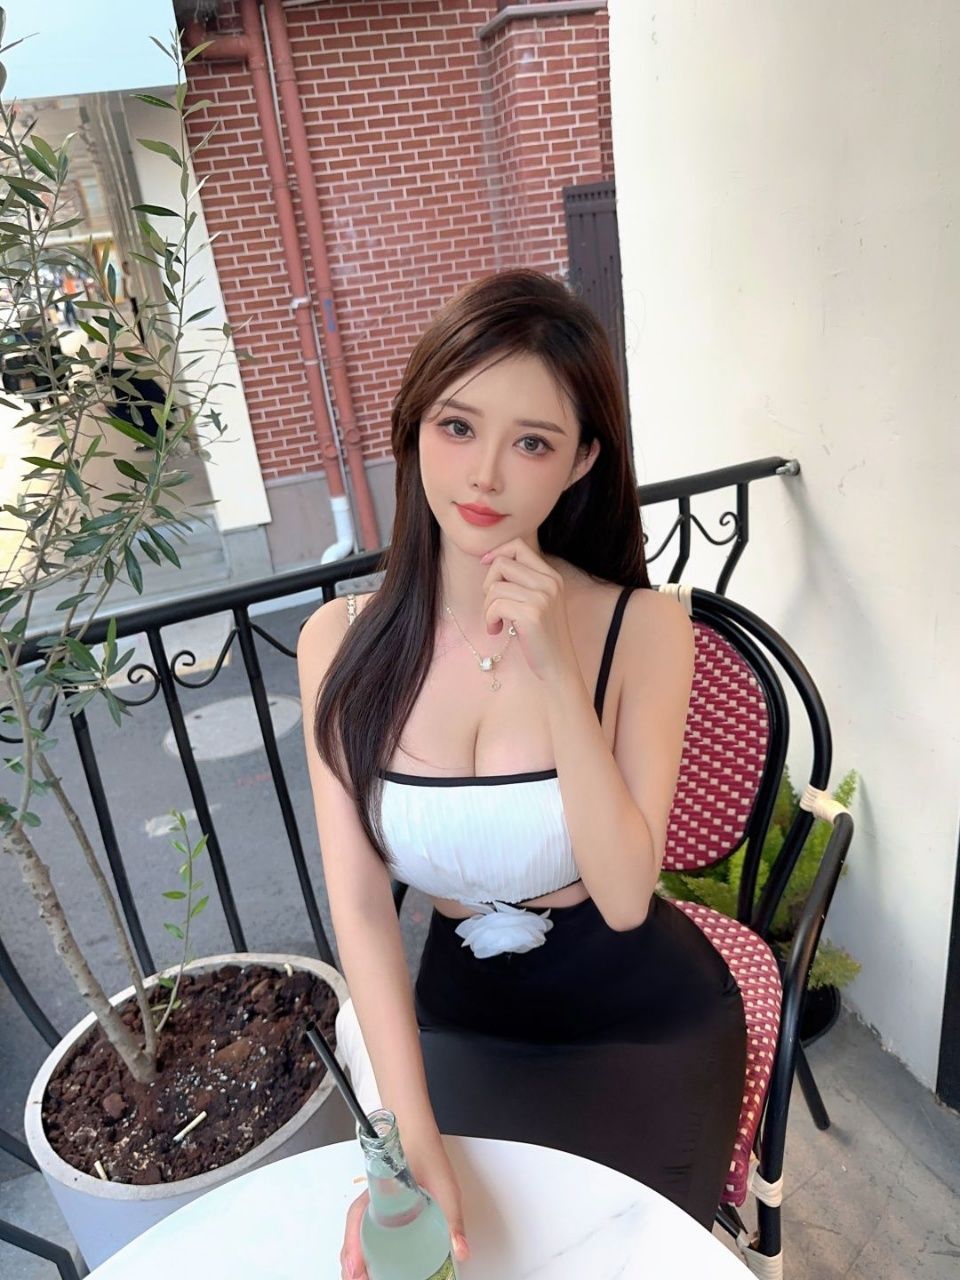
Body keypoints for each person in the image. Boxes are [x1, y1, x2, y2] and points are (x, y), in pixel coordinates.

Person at [297, 269, 747, 1279]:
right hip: (460, 1018)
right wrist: (409, 1137)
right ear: (415, 428)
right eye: (458, 426)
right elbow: (362, 909)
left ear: (581, 461)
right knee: (455, 1260)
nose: (486, 474)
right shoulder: (337, 644)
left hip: (640, 1020)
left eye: (532, 442)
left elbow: (626, 896)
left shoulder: (644, 627)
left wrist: (556, 672)